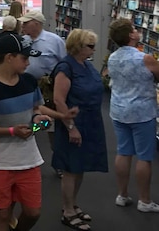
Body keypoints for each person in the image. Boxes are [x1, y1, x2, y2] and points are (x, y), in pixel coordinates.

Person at [0, 30, 74, 231]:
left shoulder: (28, 82)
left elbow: (35, 110)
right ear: (9, 58)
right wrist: (11, 131)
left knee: (33, 212)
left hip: (28, 160)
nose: (28, 63)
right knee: (1, 212)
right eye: (24, 58)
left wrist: (39, 120)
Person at [51, 29, 107, 230]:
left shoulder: (86, 64)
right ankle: (67, 211)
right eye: (90, 46)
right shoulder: (66, 68)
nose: (93, 49)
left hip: (91, 120)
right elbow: (59, 100)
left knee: (80, 166)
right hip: (74, 122)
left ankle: (73, 205)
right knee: (70, 168)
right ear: (78, 46)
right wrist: (71, 128)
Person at [106, 18, 159, 213]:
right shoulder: (144, 58)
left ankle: (122, 194)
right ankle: (144, 200)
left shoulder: (112, 57)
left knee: (123, 152)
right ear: (130, 35)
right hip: (142, 112)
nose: (138, 31)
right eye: (135, 29)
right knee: (144, 157)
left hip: (119, 110)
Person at [19, 9, 66, 175]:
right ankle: (27, 156)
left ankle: (58, 161)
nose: (23, 25)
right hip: (25, 88)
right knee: (26, 120)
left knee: (49, 124)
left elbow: (63, 63)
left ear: (37, 24)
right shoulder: (22, 41)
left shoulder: (54, 41)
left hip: (48, 88)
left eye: (26, 22)